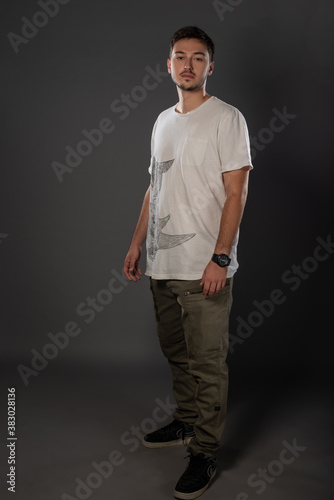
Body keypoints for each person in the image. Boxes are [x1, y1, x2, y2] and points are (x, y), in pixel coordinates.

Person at [124, 25, 253, 500]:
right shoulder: (161, 121)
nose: (188, 65)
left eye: (198, 58)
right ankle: (185, 420)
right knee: (177, 353)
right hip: (162, 264)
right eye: (180, 56)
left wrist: (220, 257)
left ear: (210, 66)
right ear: (168, 65)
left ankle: (204, 449)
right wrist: (137, 243)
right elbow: (155, 187)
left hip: (205, 269)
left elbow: (236, 192)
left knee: (207, 362)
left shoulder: (227, 119)